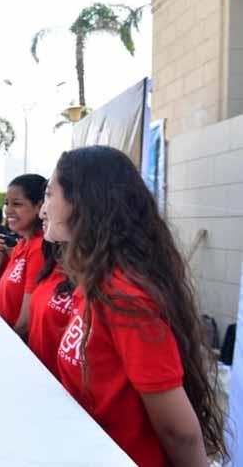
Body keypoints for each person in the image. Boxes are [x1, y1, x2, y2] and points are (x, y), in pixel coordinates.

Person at [46, 146, 227, 467]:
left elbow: (178, 430)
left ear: (82, 202)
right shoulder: (90, 286)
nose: (44, 209)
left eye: (50, 195)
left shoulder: (123, 296)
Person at [0, 174, 46, 337]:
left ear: (39, 207)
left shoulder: (39, 249)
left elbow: (26, 321)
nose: (8, 210)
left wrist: (5, 344)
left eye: (17, 204)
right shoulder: (20, 245)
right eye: (7, 203)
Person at [26, 237, 74, 379]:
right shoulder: (53, 266)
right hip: (39, 374)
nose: (41, 213)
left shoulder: (97, 283)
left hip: (62, 390)